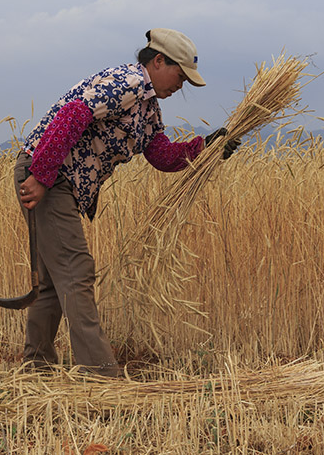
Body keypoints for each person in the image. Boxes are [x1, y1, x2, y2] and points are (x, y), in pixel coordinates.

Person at [14, 28, 239, 377]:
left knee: (54, 282)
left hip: (57, 179)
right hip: (50, 175)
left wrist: (205, 149)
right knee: (76, 271)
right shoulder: (129, 82)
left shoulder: (148, 108)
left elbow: (162, 156)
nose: (181, 86)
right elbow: (74, 114)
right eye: (180, 76)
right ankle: (101, 375)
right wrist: (41, 177)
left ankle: (36, 367)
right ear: (159, 61)